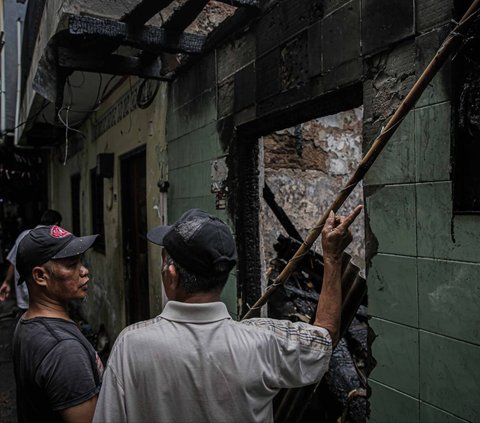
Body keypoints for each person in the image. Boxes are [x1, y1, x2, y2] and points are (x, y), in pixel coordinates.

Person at [93, 207, 362, 423]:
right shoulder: (262, 341)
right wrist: (332, 257)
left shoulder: (131, 345)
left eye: (165, 261)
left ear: (172, 276)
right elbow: (325, 335)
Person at [13, 225, 104, 423]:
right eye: (72, 265)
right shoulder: (64, 350)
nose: (84, 271)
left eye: (81, 262)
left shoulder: (27, 321)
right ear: (40, 276)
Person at [0, 209, 62, 312]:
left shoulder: (23, 235)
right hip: (45, 299)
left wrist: (6, 282)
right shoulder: (53, 239)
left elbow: (13, 261)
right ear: (56, 224)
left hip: (24, 297)